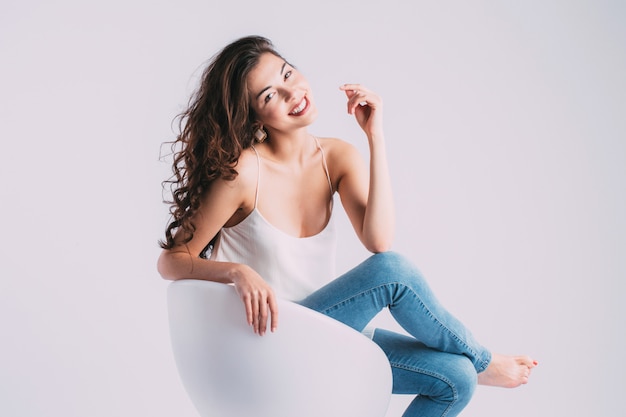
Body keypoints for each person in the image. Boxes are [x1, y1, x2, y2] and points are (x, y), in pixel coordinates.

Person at [157, 35, 537, 416]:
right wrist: (236, 273)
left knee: (456, 379)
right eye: (270, 96)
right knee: (393, 272)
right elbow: (172, 261)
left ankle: (473, 365)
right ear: (254, 116)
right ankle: (483, 358)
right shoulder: (244, 172)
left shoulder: (335, 156)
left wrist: (375, 137)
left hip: (325, 333)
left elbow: (378, 239)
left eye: (288, 74)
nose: (293, 93)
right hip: (271, 341)